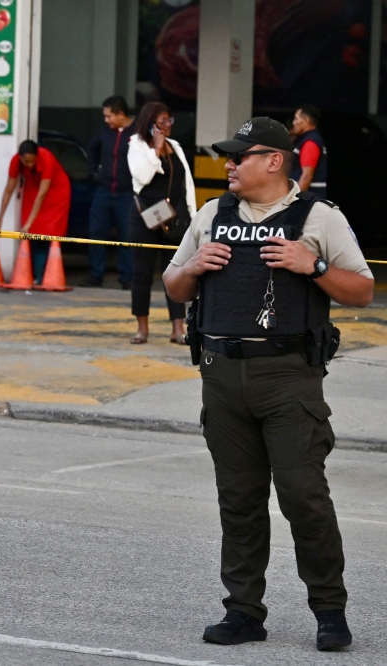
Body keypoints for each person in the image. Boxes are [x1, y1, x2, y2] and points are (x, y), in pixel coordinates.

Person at [162, 116, 373, 652]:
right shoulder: (213, 214)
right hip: (221, 374)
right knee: (238, 499)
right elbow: (173, 280)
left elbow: (362, 291)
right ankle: (243, 611)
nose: (229, 164)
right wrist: (194, 268)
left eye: (240, 156)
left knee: (304, 497)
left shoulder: (318, 217)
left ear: (274, 161)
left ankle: (329, 610)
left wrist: (315, 263)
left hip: (287, 377)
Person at [127, 102, 195, 345]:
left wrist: (191, 213)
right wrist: (155, 150)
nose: (167, 125)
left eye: (169, 120)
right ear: (150, 124)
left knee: (175, 273)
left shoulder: (175, 146)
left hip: (173, 218)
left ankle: (178, 328)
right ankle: (142, 328)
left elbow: (186, 183)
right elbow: (142, 177)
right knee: (142, 274)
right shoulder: (136, 145)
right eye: (162, 121)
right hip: (147, 217)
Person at [0, 140, 71, 281]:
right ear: (20, 157)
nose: (29, 165)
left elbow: (42, 195)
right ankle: (35, 275)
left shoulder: (46, 157)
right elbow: (8, 191)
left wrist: (29, 223)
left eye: (32, 161)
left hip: (56, 192)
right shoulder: (15, 161)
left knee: (48, 233)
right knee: (32, 234)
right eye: (26, 162)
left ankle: (44, 277)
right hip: (32, 190)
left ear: (37, 155)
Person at [84, 95, 135, 289]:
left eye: (109, 116)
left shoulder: (138, 132)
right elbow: (93, 149)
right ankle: (96, 275)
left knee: (127, 235)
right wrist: (93, 172)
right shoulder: (105, 132)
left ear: (120, 114)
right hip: (104, 191)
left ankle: (127, 278)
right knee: (96, 232)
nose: (106, 120)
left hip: (127, 194)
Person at [290, 105, 327, 199]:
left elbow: (306, 176)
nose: (294, 123)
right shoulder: (304, 140)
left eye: (296, 119)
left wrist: (293, 201)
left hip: (308, 202)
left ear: (306, 120)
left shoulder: (310, 142)